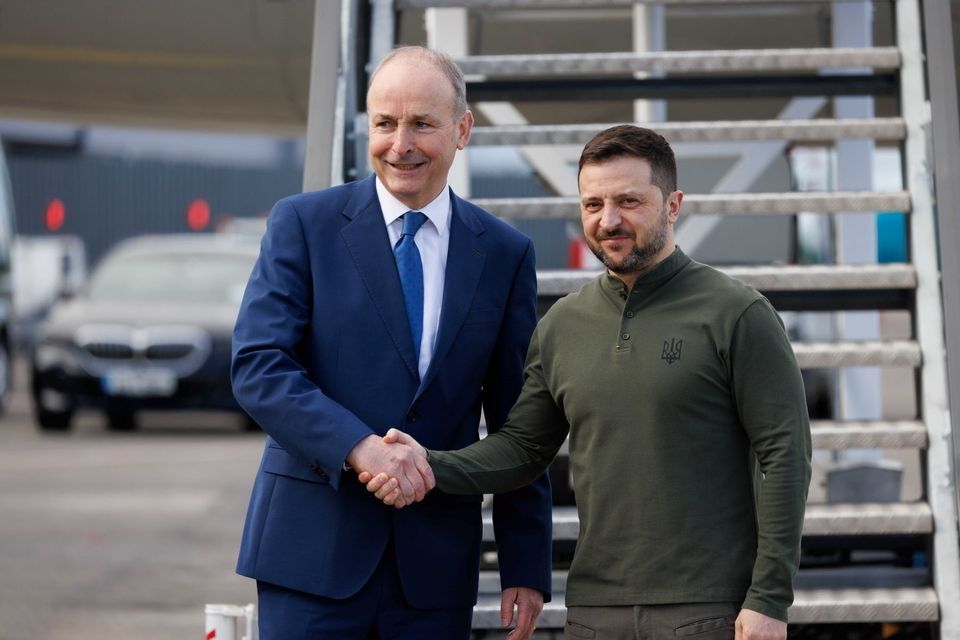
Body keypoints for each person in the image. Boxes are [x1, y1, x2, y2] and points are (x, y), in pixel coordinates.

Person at [363, 125, 813, 640]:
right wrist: (428, 464)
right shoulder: (562, 325)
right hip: (595, 610)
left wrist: (770, 598)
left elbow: (785, 454)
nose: (609, 220)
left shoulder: (738, 313)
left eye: (629, 201)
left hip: (708, 607)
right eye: (593, 204)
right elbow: (523, 449)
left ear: (672, 205)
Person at [231, 46, 552, 640]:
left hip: (433, 569)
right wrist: (360, 448)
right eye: (385, 123)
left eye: (422, 124)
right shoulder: (303, 224)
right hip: (310, 556)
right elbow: (259, 366)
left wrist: (525, 562)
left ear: (462, 131)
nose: (400, 144)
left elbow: (518, 421)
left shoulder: (505, 255)